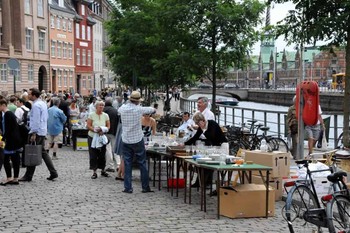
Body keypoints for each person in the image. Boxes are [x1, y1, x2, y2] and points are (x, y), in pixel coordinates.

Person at [118, 91, 155, 193]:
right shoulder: (139, 109)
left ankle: (128, 187)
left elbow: (119, 110)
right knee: (142, 163)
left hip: (126, 139)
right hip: (137, 139)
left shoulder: (122, 108)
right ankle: (145, 187)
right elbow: (152, 109)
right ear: (138, 101)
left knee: (127, 163)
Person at [19, 88, 58, 182]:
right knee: (43, 152)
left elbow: (36, 120)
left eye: (29, 94)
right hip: (42, 130)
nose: (28, 96)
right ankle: (53, 172)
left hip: (36, 132)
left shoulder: (36, 105)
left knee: (32, 152)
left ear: (34, 95)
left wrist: (33, 133)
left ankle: (28, 175)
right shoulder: (43, 104)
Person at [185, 112, 227, 189]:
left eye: (198, 123)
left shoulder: (212, 124)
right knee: (203, 163)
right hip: (214, 147)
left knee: (214, 166)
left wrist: (203, 130)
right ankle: (199, 182)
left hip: (221, 146)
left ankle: (210, 185)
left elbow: (211, 135)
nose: (198, 125)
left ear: (202, 120)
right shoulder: (201, 127)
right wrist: (184, 144)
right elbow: (195, 137)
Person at [0, 99, 23, 185]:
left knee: (6, 159)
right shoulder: (10, 113)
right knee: (15, 158)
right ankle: (15, 178)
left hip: (10, 140)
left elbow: (8, 129)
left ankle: (9, 177)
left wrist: (3, 139)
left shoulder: (7, 114)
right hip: (15, 139)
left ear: (3, 105)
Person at [86, 100, 110, 179]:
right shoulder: (91, 115)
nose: (101, 107)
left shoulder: (106, 115)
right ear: (96, 107)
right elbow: (88, 125)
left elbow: (108, 126)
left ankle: (103, 170)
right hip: (92, 136)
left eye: (103, 105)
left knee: (102, 154)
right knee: (93, 154)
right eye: (100, 105)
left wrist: (103, 130)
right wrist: (95, 130)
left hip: (101, 137)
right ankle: (94, 171)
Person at [103, 97, 119, 172]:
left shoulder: (102, 111)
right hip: (114, 132)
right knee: (115, 149)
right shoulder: (115, 111)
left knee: (107, 149)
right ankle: (119, 164)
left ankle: (110, 165)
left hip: (105, 132)